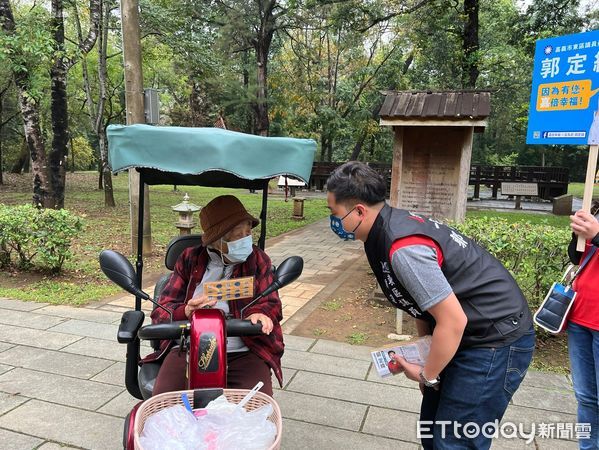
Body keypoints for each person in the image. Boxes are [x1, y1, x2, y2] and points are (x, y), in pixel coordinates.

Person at [326, 161, 535, 449]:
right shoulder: (379, 233)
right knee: (432, 433)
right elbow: (422, 303)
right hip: (461, 333)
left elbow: (453, 320)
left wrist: (428, 375)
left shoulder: (403, 249)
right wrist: (425, 352)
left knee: (454, 442)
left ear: (359, 211)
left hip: (493, 338)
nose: (334, 221)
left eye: (334, 213)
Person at [150, 195, 284, 396]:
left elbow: (271, 302)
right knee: (164, 403)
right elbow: (163, 309)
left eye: (248, 233)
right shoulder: (190, 259)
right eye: (238, 235)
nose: (246, 240)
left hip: (243, 350)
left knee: (256, 408)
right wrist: (186, 311)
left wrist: (260, 313)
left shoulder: (257, 259)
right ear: (217, 240)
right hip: (189, 347)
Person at [567, 201, 599, 450]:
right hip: (581, 316)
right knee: (586, 397)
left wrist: (596, 235)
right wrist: (577, 235)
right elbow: (578, 257)